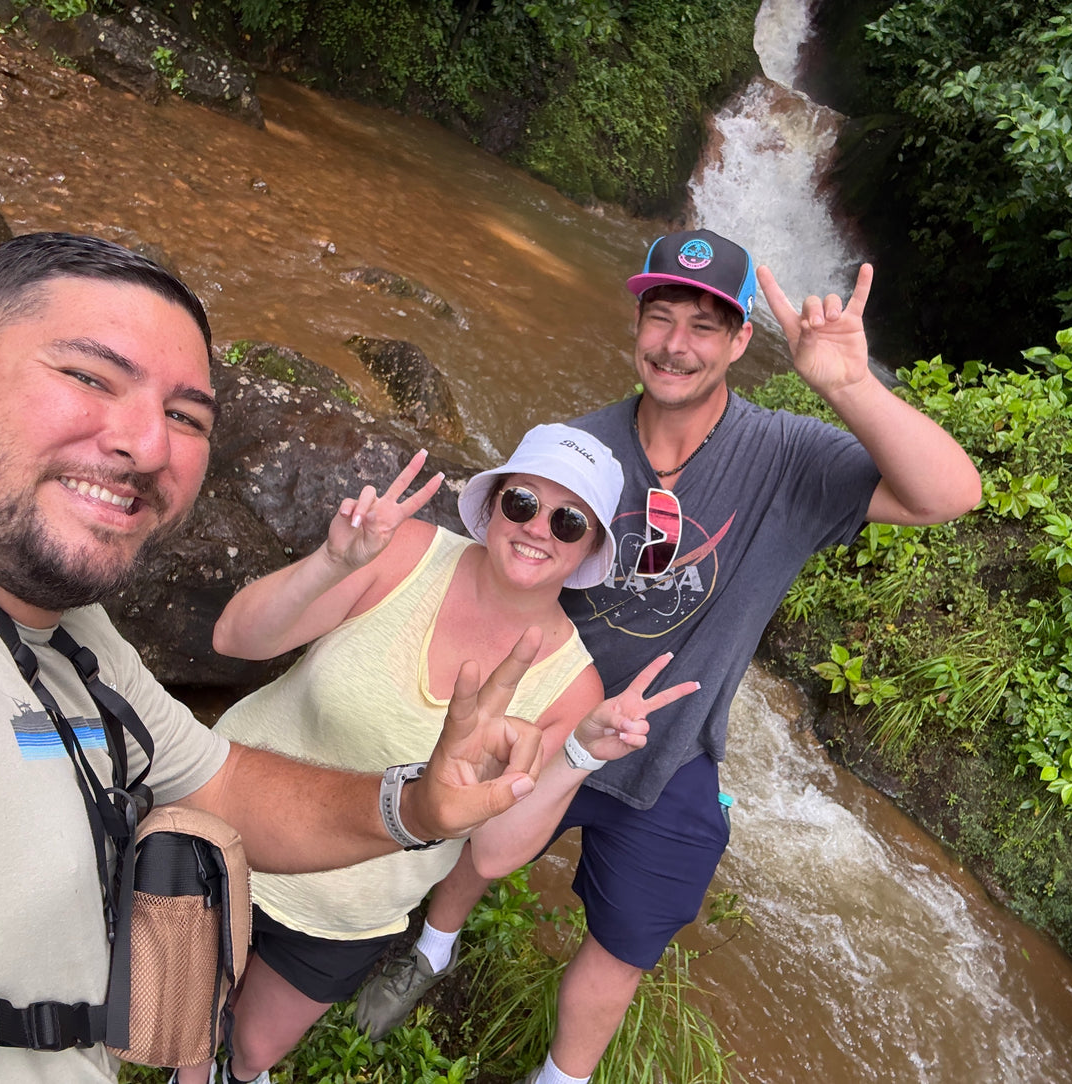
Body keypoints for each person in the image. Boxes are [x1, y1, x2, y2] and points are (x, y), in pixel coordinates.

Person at [0, 232, 568, 1084]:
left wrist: (419, 804)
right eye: (89, 376)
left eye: (186, 416)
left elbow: (220, 783)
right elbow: (241, 639)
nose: (147, 444)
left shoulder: (74, 632)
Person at [361, 228, 985, 1084]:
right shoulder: (578, 450)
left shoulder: (788, 459)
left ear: (738, 342)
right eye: (660, 317)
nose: (675, 344)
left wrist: (846, 384)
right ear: (636, 327)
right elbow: (500, 568)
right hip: (552, 713)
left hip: (673, 745)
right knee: (477, 845)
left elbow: (948, 494)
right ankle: (432, 949)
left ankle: (560, 1079)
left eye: (703, 324)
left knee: (625, 943)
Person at [180, 424, 695, 1084]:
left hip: (349, 907)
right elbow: (235, 639)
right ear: (493, 504)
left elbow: (494, 852)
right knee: (183, 1023)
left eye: (569, 521)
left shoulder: (572, 686)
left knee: (252, 1054)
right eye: (523, 503)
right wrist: (332, 563)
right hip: (223, 824)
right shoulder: (404, 553)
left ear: (589, 548)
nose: (539, 528)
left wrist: (580, 754)